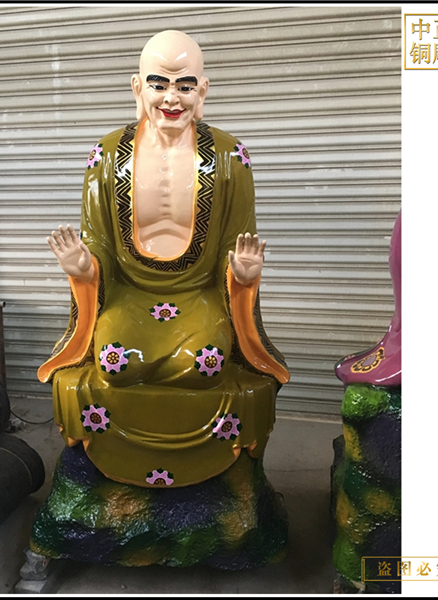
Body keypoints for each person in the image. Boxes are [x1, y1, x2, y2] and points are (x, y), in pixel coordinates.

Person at [27, 31, 290, 569]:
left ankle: (211, 492)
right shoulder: (107, 157)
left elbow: (236, 244)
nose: (172, 98)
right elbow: (100, 244)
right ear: (136, 88)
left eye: (185, 85)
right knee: (116, 362)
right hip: (130, 294)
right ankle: (114, 486)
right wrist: (83, 267)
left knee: (204, 364)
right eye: (159, 83)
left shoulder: (230, 158)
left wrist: (241, 275)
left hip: (198, 296)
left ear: (203, 91)